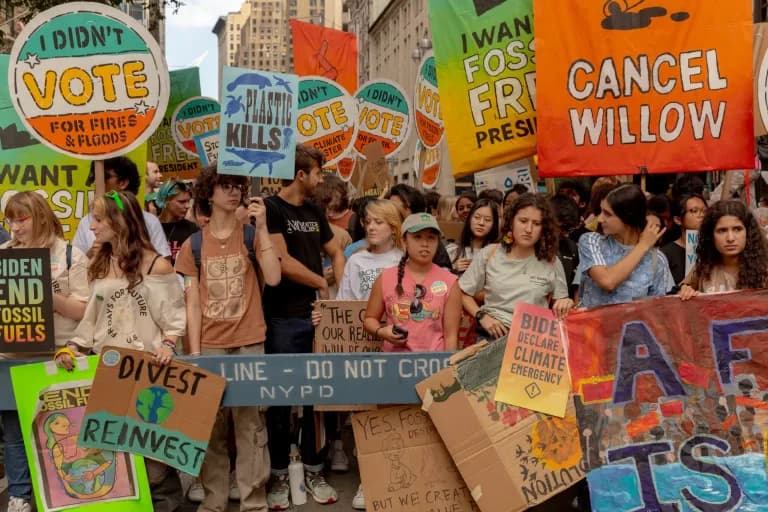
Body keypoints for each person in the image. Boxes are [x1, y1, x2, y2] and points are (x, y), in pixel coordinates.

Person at [55, 191, 185, 512]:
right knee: (116, 460)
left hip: (148, 374)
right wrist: (72, 348)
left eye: (98, 219)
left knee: (155, 463)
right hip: (108, 373)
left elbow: (173, 319)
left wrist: (169, 343)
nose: (92, 226)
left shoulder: (157, 265)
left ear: (119, 221)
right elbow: (90, 322)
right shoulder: (98, 264)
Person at [175, 164, 281, 512]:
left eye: (238, 185)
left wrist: (262, 226)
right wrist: (194, 352)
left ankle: (255, 502)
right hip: (210, 346)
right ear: (209, 193)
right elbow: (191, 304)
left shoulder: (250, 234)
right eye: (225, 186)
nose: (234, 191)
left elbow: (274, 277)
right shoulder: (192, 245)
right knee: (211, 428)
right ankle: (214, 502)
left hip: (250, 340)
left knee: (250, 425)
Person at [264, 145, 345, 508]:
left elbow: (336, 251)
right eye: (316, 173)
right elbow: (281, 261)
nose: (320, 179)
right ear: (300, 174)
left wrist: (336, 293)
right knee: (280, 399)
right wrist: (321, 282)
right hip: (283, 318)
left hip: (318, 317)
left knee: (318, 398)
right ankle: (279, 476)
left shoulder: (315, 210)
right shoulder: (271, 209)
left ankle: (314, 468)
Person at [1, 192, 90, 512]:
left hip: (58, 355)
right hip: (12, 357)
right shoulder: (3, 255)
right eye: (9, 220)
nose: (14, 226)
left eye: (20, 218)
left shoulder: (69, 255)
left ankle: (66, 494)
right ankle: (19, 496)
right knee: (13, 431)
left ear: (39, 216)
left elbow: (83, 310)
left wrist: (44, 292)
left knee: (60, 428)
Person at [459, 194, 573, 341]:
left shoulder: (552, 262)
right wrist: (481, 316)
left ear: (544, 228)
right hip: (491, 338)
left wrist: (566, 302)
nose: (529, 229)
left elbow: (560, 304)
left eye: (537, 223)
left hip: (531, 343)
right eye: (523, 221)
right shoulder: (490, 254)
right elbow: (462, 292)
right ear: (511, 221)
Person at [363, 213, 461, 352]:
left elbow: (451, 336)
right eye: (417, 237)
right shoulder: (385, 278)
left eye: (431, 238)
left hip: (434, 365)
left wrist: (448, 368)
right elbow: (370, 319)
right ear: (404, 241)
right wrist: (382, 331)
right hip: (394, 365)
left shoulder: (450, 282)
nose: (425, 244)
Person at [578, 184, 673, 308]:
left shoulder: (657, 259)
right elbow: (607, 281)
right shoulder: (591, 241)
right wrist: (642, 246)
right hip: (591, 326)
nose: (600, 219)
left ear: (628, 217)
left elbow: (656, 310)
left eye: (608, 214)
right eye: (601, 211)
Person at [74, 157, 170, 258]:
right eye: (95, 178)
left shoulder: (149, 221)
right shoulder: (86, 222)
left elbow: (163, 261)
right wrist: (91, 254)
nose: (96, 183)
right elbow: (75, 263)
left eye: (104, 177)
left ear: (122, 183)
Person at [679, 200, 768, 298]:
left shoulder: (763, 269)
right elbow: (683, 289)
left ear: (748, 233)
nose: (730, 238)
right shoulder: (704, 266)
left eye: (737, 229)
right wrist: (686, 290)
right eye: (722, 231)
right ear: (711, 235)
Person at [338, 200, 404, 300]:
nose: (370, 227)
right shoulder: (356, 261)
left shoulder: (404, 259)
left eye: (378, 222)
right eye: (368, 222)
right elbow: (344, 303)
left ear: (393, 228)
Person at [661, 194, 707, 285]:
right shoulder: (666, 254)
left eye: (705, 211)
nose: (701, 215)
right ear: (678, 220)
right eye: (694, 211)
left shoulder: (714, 249)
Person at [447, 198, 499, 275]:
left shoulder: (498, 253)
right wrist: (453, 268)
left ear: (494, 224)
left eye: (487, 220)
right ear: (469, 219)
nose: (481, 223)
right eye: (477, 217)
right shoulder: (453, 251)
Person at [156, 179, 199, 265]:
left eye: (188, 201)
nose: (187, 206)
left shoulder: (193, 229)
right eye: (182, 202)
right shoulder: (149, 227)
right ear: (166, 200)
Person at [550, 194, 581, 300]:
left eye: (570, 230)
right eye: (563, 228)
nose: (566, 234)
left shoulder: (572, 248)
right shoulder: (530, 245)